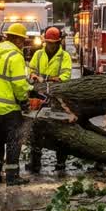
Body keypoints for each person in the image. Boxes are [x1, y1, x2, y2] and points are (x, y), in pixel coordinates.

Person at [0, 22, 32, 185]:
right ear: (17, 40)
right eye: (23, 40)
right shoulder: (15, 56)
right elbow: (18, 84)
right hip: (7, 106)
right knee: (14, 140)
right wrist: (24, 100)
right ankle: (12, 176)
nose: (23, 44)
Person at [28, 26, 72, 173]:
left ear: (59, 43)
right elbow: (31, 70)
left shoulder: (64, 56)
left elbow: (65, 77)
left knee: (60, 130)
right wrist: (34, 76)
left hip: (56, 97)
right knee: (36, 129)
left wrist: (47, 79)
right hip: (39, 97)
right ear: (45, 41)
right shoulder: (38, 54)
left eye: (54, 43)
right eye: (49, 42)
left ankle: (60, 163)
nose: (51, 45)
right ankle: (35, 161)